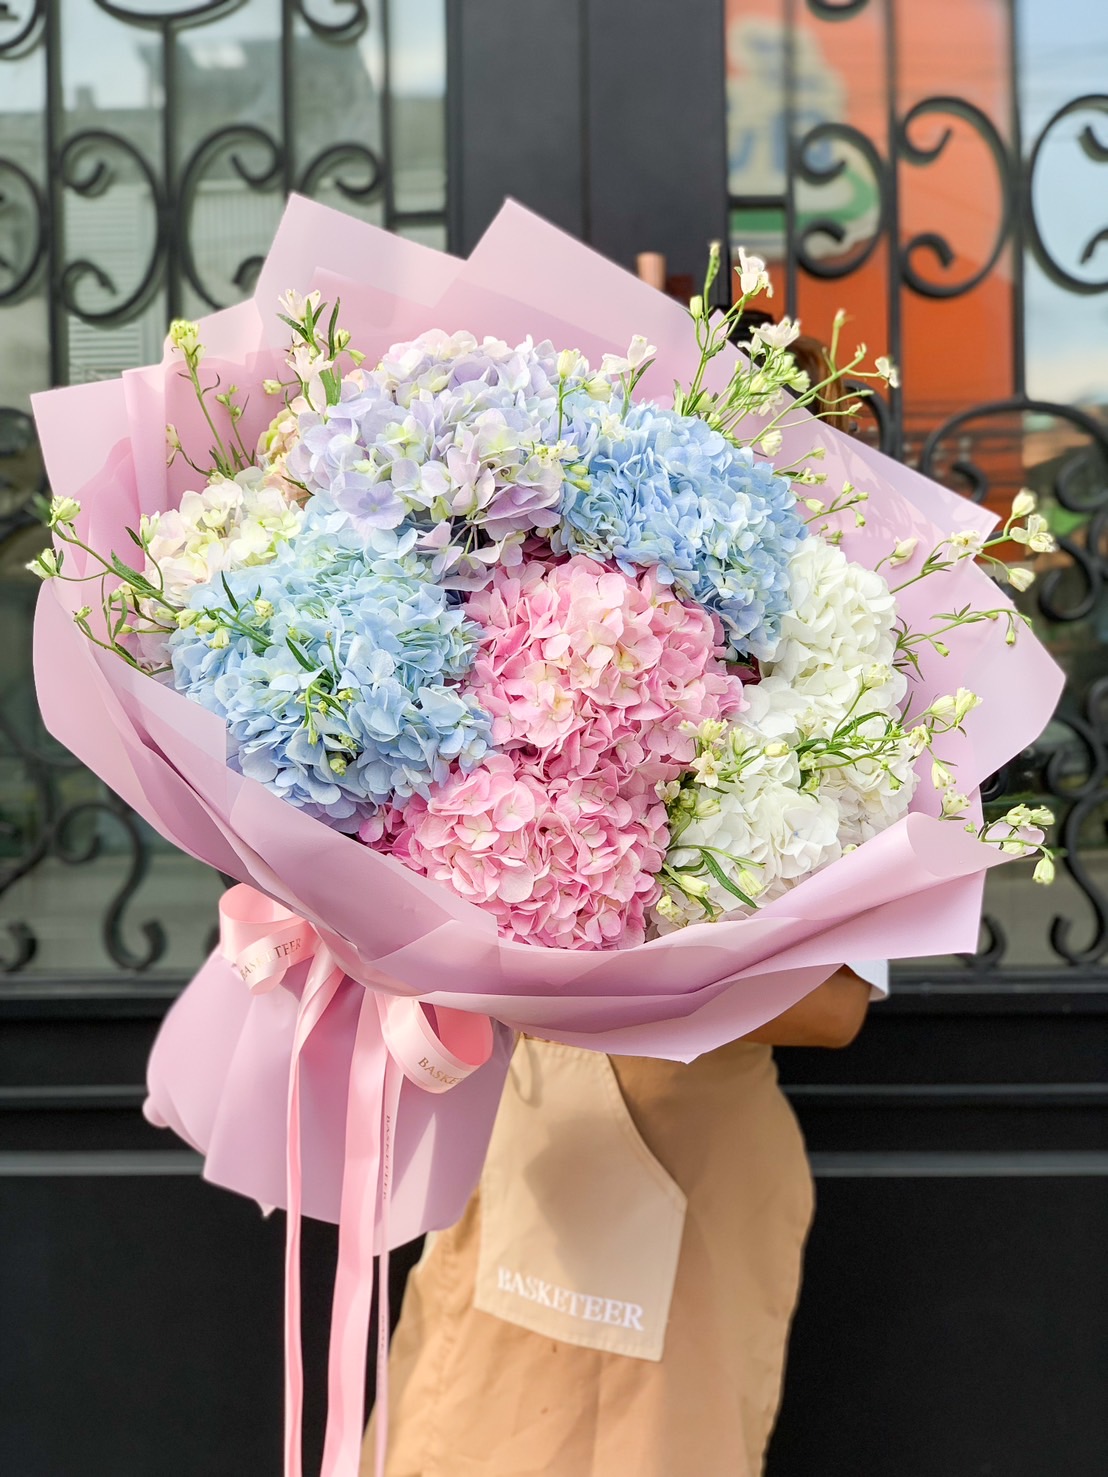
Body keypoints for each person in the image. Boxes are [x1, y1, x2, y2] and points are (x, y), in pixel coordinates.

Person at [362, 962, 886, 1477]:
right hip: (528, 1129)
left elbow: (834, 1010)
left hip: (691, 1154)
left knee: (660, 1441)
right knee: (472, 1421)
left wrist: (582, 963)